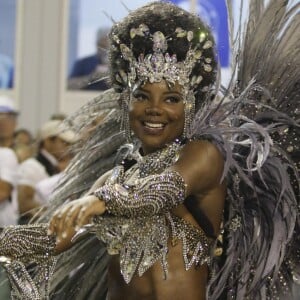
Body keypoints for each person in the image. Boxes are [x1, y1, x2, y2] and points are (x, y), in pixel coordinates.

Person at [0, 1, 299, 300]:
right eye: (142, 96)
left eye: (171, 99)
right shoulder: (113, 179)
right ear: (124, 103)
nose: (154, 109)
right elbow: (52, 240)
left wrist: (99, 199)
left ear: (190, 106)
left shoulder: (203, 155)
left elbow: (159, 191)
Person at [17, 119, 78, 224]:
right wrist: (57, 210)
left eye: (69, 143)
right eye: (64, 142)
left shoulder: (57, 166)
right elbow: (24, 204)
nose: (68, 147)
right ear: (48, 141)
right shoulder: (31, 166)